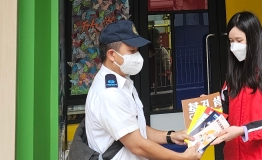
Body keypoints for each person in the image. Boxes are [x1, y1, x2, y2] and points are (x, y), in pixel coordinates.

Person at [86, 20, 202, 160]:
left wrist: (171, 136)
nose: (137, 56)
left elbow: (136, 128)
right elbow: (137, 145)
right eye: (132, 51)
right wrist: (181, 157)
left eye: (137, 50)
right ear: (111, 55)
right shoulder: (109, 93)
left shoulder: (124, 82)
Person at [212, 12, 262, 160]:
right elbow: (224, 110)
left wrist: (244, 130)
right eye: (231, 41)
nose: (234, 46)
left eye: (239, 40)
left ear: (254, 40)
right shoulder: (233, 74)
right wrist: (208, 107)